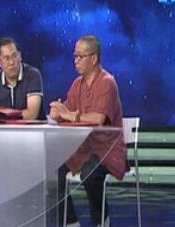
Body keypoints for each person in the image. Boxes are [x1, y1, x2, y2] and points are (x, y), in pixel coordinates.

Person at [50, 35, 128, 227]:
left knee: (90, 174)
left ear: (93, 58)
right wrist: (57, 113)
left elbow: (98, 119)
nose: (75, 61)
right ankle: (70, 223)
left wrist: (70, 115)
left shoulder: (107, 82)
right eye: (74, 56)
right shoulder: (77, 84)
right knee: (53, 171)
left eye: (80, 56)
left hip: (107, 150)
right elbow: (66, 111)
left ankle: (101, 221)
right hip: (84, 148)